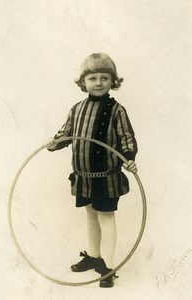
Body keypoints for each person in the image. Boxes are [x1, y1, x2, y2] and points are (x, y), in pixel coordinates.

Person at [46, 53, 138, 288]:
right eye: (93, 78)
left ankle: (107, 267)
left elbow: (127, 137)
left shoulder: (116, 110)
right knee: (90, 214)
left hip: (106, 179)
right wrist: (55, 143)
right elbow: (66, 133)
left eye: (104, 78)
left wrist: (129, 158)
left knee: (106, 217)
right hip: (83, 178)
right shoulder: (77, 109)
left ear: (112, 81)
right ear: (83, 82)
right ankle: (94, 256)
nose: (98, 83)